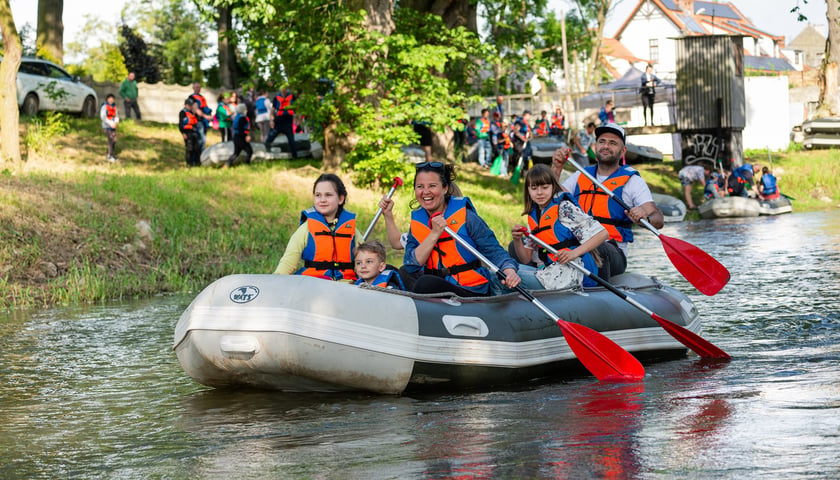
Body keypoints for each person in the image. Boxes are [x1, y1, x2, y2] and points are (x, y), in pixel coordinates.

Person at [551, 123, 664, 279]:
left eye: (613, 143)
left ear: (623, 151)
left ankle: (597, 294)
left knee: (598, 248)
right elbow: (550, 199)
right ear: (596, 145)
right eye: (602, 141)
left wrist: (645, 216)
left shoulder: (632, 181)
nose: (606, 146)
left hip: (612, 251)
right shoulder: (581, 175)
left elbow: (658, 218)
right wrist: (556, 168)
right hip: (576, 244)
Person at [399, 161, 521, 297]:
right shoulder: (418, 220)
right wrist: (434, 234)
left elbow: (494, 251)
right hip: (436, 282)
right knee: (403, 272)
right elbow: (411, 265)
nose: (425, 192)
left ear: (445, 189)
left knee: (425, 283)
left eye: (432, 186)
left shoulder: (467, 217)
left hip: (469, 289)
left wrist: (509, 270)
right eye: (420, 186)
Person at [511, 164, 608, 289]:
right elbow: (525, 259)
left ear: (553, 187)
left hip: (575, 270)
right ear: (528, 190)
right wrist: (516, 239)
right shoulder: (534, 215)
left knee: (505, 276)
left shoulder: (564, 208)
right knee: (507, 270)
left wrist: (573, 254)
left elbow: (602, 234)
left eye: (545, 187)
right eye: (534, 188)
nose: (539, 193)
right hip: (552, 270)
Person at [274, 174, 358, 280]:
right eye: (318, 195)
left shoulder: (351, 228)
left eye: (328, 195)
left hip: (345, 285)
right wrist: (275, 281)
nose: (322, 200)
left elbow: (367, 258)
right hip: (313, 285)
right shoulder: (306, 228)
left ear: (340, 199)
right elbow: (288, 261)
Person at [265, 87, 298, 158]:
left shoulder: (292, 97)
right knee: (269, 139)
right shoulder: (276, 98)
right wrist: (271, 121)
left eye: (285, 89)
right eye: (282, 89)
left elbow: (296, 108)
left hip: (288, 120)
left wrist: (297, 118)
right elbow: (272, 111)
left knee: (291, 140)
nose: (284, 90)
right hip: (278, 121)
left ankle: (295, 157)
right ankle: (265, 153)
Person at [187, 82, 214, 152]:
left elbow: (205, 108)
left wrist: (210, 117)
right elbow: (196, 109)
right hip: (197, 121)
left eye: (199, 87)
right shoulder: (191, 98)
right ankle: (199, 156)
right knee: (200, 140)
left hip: (204, 121)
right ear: (193, 88)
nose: (198, 89)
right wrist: (206, 116)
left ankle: (201, 155)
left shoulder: (202, 97)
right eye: (196, 87)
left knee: (203, 139)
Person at [225, 103, 253, 168]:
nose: (247, 110)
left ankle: (227, 164)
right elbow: (242, 129)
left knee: (236, 153)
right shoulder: (242, 118)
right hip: (241, 137)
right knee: (249, 151)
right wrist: (246, 136)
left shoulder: (237, 117)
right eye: (245, 109)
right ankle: (247, 164)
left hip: (236, 137)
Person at [178, 98, 200, 167]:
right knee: (189, 148)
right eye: (189, 105)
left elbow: (197, 120)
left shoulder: (192, 113)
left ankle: (196, 163)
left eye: (191, 106)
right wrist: (183, 133)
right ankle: (189, 163)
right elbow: (181, 124)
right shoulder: (183, 112)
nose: (190, 107)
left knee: (196, 148)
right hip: (187, 132)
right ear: (185, 105)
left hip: (193, 131)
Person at [511, 111, 533, 175]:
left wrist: (529, 136)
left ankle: (525, 171)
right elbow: (516, 131)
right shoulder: (520, 122)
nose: (529, 117)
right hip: (519, 142)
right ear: (525, 115)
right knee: (519, 156)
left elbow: (529, 131)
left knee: (527, 155)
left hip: (526, 142)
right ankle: (517, 171)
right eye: (529, 115)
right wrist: (523, 139)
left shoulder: (527, 123)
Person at [100, 93, 119, 162]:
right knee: (111, 140)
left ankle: (111, 154)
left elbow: (116, 116)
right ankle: (109, 156)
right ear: (107, 99)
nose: (111, 101)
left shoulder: (114, 107)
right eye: (110, 99)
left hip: (113, 126)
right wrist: (110, 123)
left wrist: (116, 122)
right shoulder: (104, 107)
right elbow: (103, 117)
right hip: (107, 126)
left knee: (114, 140)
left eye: (112, 99)